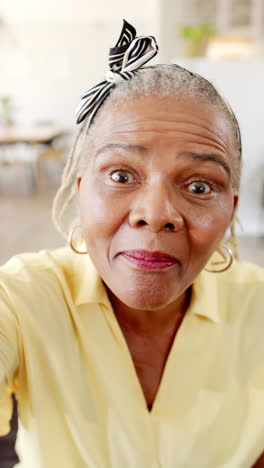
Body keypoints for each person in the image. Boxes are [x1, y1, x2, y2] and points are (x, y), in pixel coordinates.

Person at [0, 19, 263, 468]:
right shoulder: (22, 298)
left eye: (200, 187)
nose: (156, 213)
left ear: (231, 207)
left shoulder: (257, 306)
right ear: (82, 188)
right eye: (121, 176)